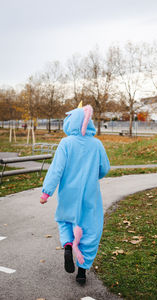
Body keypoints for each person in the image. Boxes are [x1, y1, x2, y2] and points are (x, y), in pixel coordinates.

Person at [40, 104, 110, 285]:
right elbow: (105, 168)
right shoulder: (97, 144)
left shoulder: (66, 143)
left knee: (65, 222)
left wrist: (46, 193)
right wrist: (94, 176)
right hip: (90, 195)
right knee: (90, 229)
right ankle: (82, 271)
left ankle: (69, 246)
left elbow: (56, 170)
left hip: (68, 194)